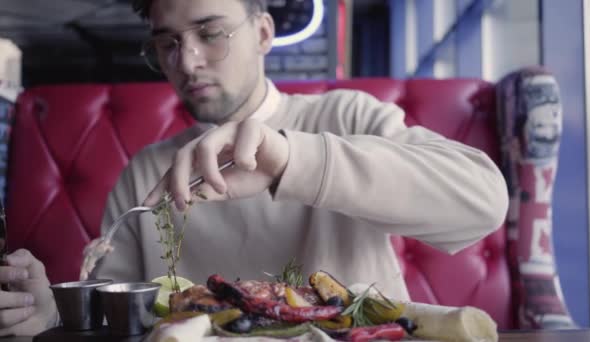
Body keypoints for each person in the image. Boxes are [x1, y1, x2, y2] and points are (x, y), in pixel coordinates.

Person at [0, 0, 509, 336]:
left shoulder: (347, 117)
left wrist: (291, 160)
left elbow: (482, 202)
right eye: (168, 43)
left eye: (210, 32)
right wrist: (53, 316)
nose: (189, 60)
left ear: (263, 33)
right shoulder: (147, 173)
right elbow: (118, 322)